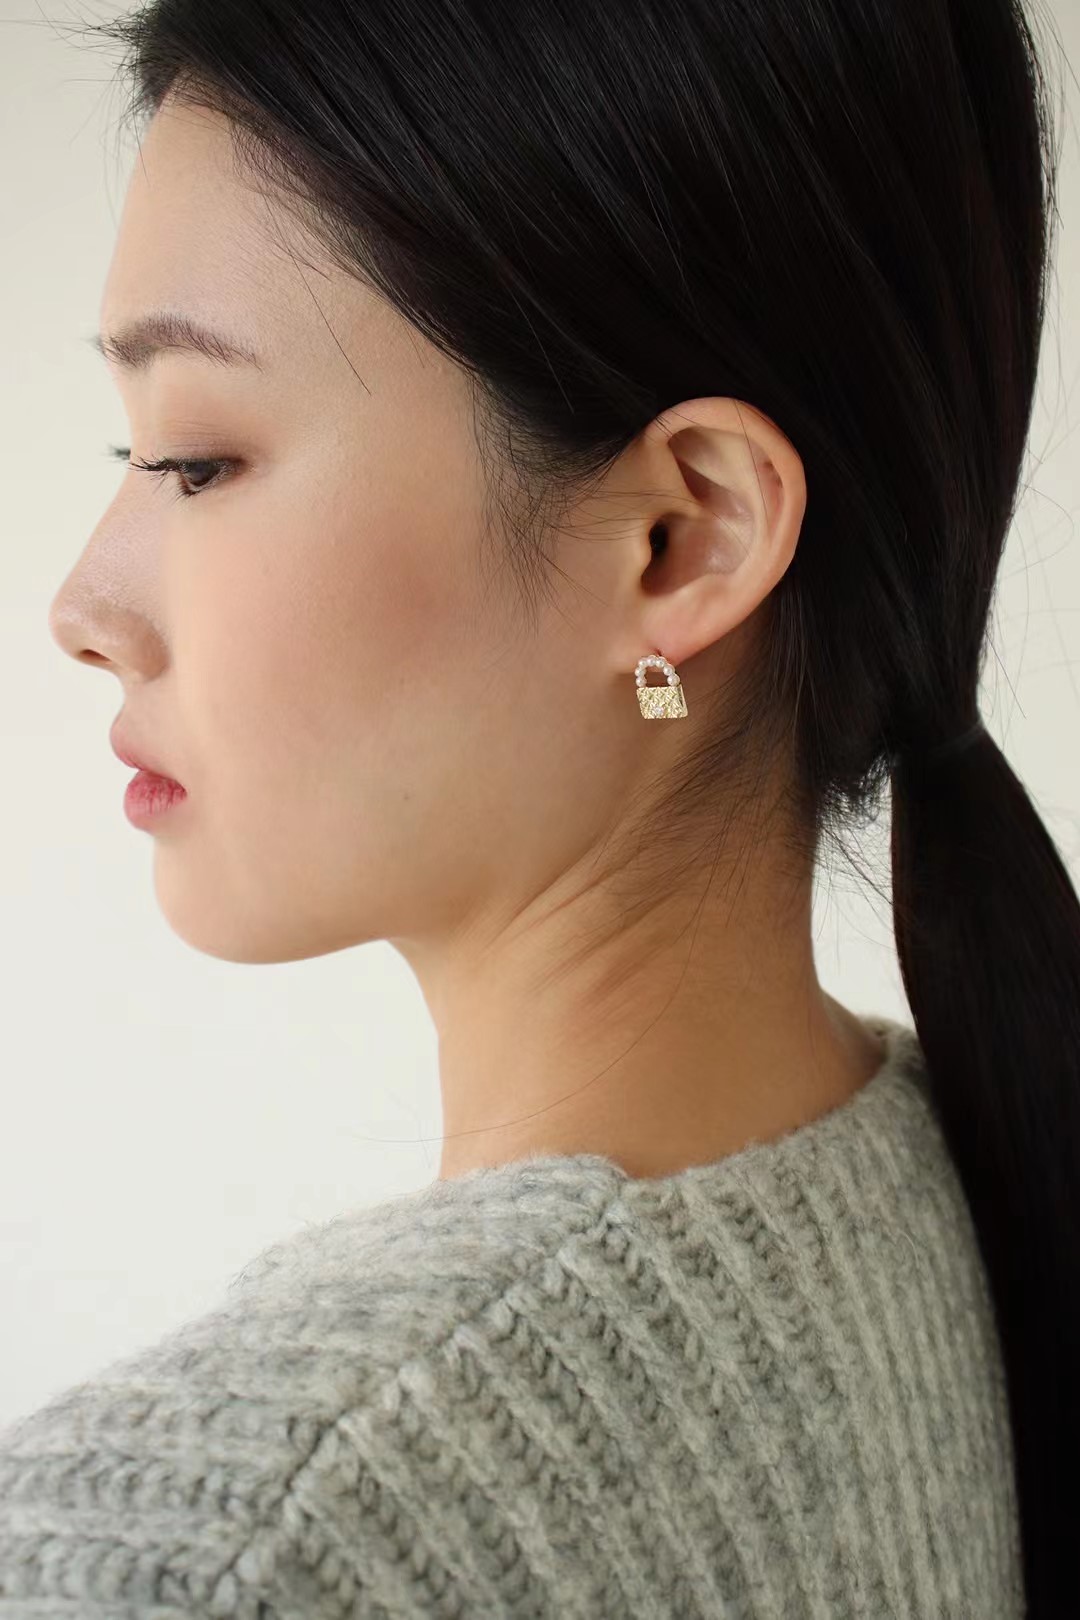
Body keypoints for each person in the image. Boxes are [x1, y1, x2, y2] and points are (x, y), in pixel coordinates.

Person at [2, 0, 1077, 1614]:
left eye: (198, 460)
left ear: (681, 540)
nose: (83, 608)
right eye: (129, 448)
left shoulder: (213, 1557)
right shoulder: (951, 1180)